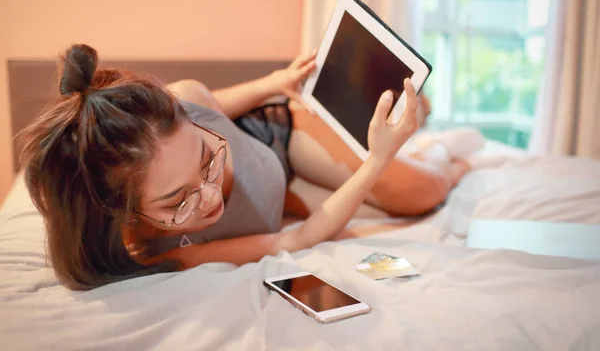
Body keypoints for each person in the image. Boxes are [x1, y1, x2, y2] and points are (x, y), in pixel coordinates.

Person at [20, 44, 475, 290]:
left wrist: (275, 84)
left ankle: (442, 151)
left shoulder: (182, 106)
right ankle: (417, 144)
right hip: (281, 200)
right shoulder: (161, 252)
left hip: (278, 136)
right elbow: (298, 237)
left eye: (207, 158)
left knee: (425, 189)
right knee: (393, 204)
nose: (212, 194)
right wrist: (376, 158)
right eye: (179, 201)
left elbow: (214, 106)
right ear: (121, 213)